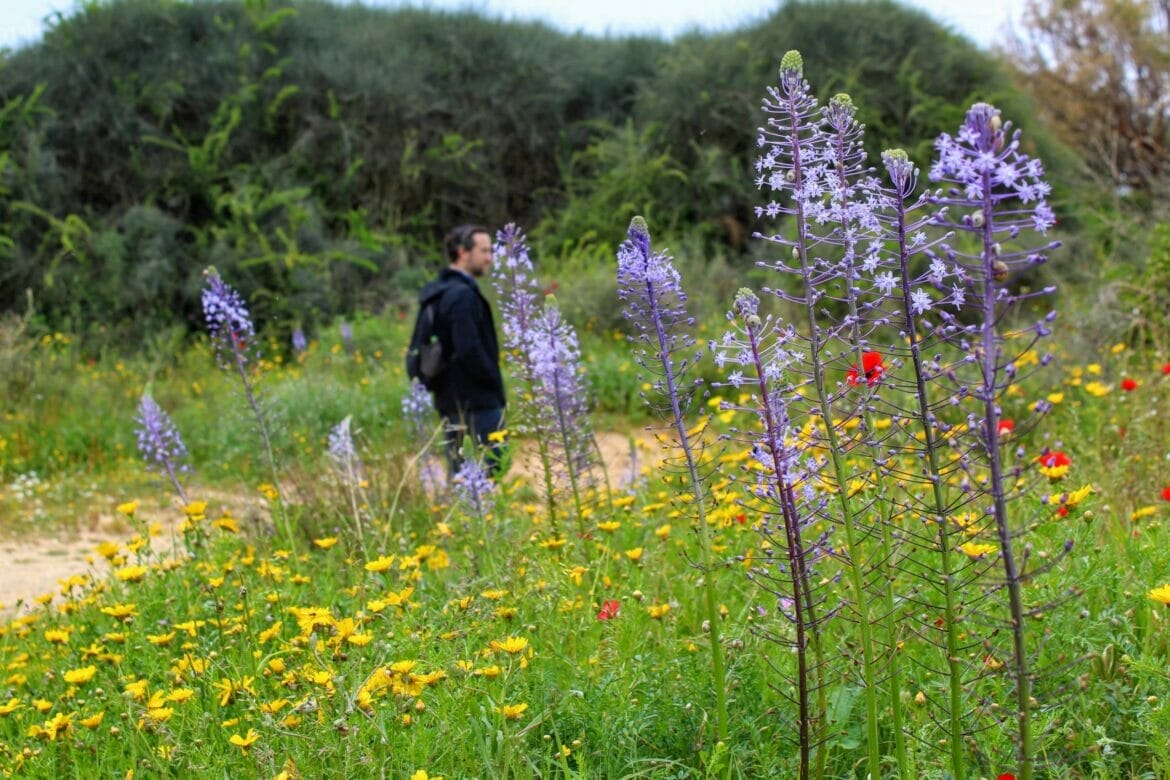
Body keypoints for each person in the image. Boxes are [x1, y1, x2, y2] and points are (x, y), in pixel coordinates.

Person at [411, 223, 506, 475]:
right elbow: (468, 349)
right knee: (490, 474)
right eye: (484, 251)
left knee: (463, 476)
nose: (490, 258)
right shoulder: (462, 296)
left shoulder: (436, 292)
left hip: (449, 401)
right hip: (478, 402)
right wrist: (493, 381)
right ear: (463, 252)